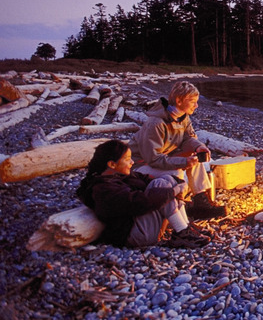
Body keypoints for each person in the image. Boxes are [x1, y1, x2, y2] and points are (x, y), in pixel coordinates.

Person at [76, 139, 210, 248]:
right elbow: (139, 201)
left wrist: (180, 185)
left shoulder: (121, 176)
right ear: (112, 164)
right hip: (134, 234)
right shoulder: (103, 189)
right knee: (161, 186)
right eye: (127, 159)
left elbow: (147, 179)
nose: (132, 162)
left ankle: (185, 228)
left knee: (167, 180)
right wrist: (174, 191)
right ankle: (182, 232)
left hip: (141, 225)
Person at [128, 81, 226, 220]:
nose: (196, 106)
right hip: (140, 165)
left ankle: (200, 203)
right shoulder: (156, 124)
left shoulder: (183, 117)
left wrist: (198, 146)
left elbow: (187, 138)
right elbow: (154, 159)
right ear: (179, 100)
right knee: (176, 172)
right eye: (192, 101)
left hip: (162, 157)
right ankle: (176, 210)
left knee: (197, 160)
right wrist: (183, 162)